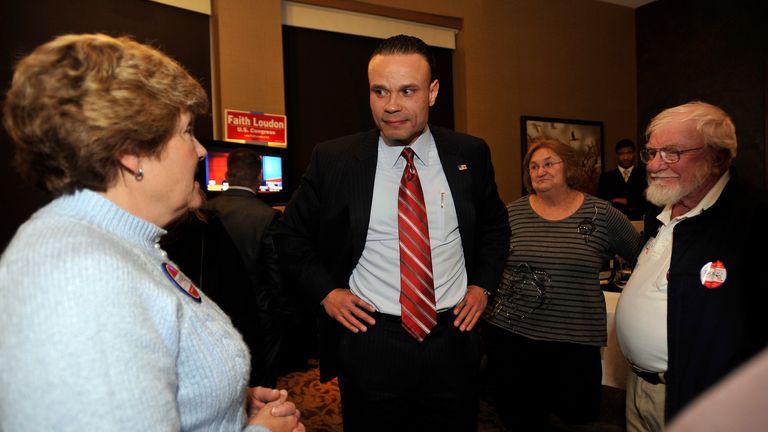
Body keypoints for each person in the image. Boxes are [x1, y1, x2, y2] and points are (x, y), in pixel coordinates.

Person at [0, 33, 303, 432]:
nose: (199, 151)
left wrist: (227, 399)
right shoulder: (79, 274)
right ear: (131, 152)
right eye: (186, 131)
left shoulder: (125, 244)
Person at [276, 34, 509, 431]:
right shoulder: (334, 160)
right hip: (370, 341)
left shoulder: (469, 154)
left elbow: (494, 226)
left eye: (407, 91)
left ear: (433, 92)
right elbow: (290, 236)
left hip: (452, 338)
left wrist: (483, 286)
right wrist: (327, 293)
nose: (391, 106)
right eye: (379, 91)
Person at [615, 101, 768, 430]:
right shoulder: (659, 215)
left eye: (672, 152)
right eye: (651, 152)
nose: (655, 165)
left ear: (717, 158)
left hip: (703, 402)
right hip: (641, 391)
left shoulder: (751, 223)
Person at [482, 137, 640, 430]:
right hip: (511, 340)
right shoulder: (511, 214)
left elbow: (643, 255)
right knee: (517, 419)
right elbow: (487, 262)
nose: (540, 171)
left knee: (576, 420)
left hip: (574, 344)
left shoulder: (601, 215)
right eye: (533, 166)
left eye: (548, 163)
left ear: (568, 168)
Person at [205, 148, 288, 387]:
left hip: (214, 312)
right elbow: (276, 276)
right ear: (259, 177)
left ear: (228, 174)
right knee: (262, 384)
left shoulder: (205, 210)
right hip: (260, 317)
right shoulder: (267, 216)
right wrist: (284, 315)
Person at [597, 138, 649, 220]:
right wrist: (636, 199)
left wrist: (624, 200)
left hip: (639, 221)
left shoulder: (644, 175)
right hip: (614, 221)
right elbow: (602, 203)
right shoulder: (606, 177)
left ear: (634, 154)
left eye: (629, 153)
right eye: (621, 154)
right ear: (617, 155)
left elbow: (648, 202)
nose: (625, 157)